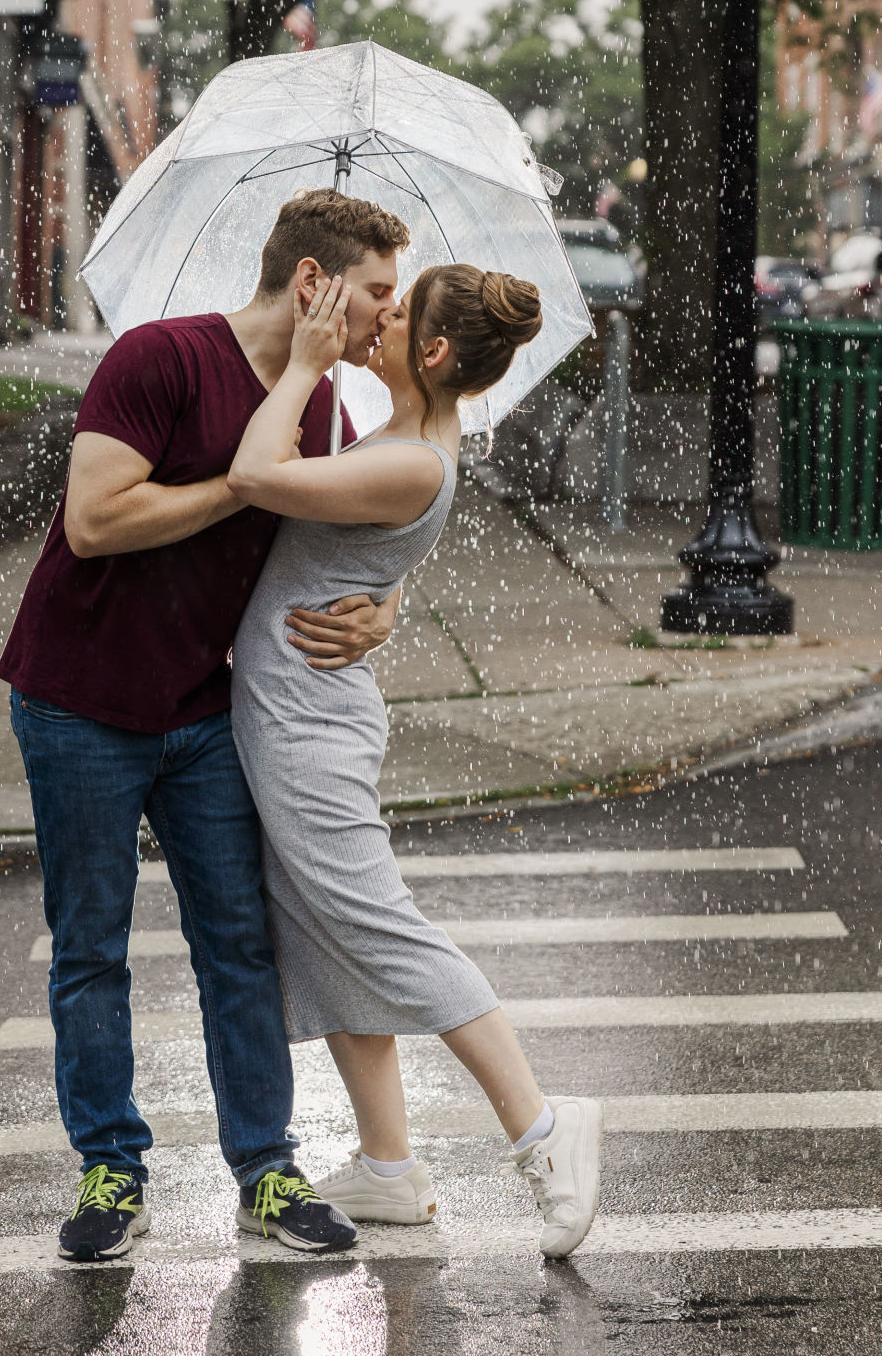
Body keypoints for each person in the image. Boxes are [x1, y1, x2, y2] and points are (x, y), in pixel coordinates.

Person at [0, 189, 413, 1261]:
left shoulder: (318, 410)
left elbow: (363, 531)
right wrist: (239, 486)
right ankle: (110, 1167)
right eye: (374, 290)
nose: (388, 312)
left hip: (203, 707)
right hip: (77, 698)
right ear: (314, 283)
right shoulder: (160, 357)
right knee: (90, 946)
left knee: (239, 942)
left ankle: (265, 1168)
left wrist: (383, 607)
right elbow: (94, 520)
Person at [227, 264, 603, 1258]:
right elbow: (357, 549)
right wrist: (383, 599)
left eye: (393, 314)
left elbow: (253, 475)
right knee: (322, 932)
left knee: (378, 928)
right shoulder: (404, 433)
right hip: (300, 712)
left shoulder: (413, 457)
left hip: (309, 727)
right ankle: (388, 1166)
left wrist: (302, 368)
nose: (374, 319)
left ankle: (543, 1130)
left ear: (432, 352)